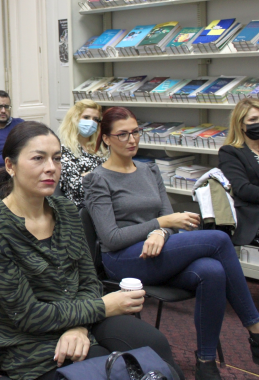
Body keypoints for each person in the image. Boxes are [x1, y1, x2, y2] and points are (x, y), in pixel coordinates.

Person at [0, 121, 182, 380]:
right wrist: (101, 307)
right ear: (10, 166)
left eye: (57, 158)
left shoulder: (66, 210)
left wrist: (79, 325)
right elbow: (27, 316)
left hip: (80, 317)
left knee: (155, 346)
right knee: (110, 367)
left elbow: (89, 280)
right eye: (38, 158)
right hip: (27, 340)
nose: (51, 167)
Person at [83, 107, 259, 380]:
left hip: (159, 250)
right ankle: (256, 329)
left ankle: (206, 363)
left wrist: (160, 232)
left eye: (135, 132)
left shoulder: (149, 170)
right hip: (122, 260)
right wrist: (160, 224)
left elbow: (170, 222)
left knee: (212, 270)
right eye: (122, 134)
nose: (132, 139)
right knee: (218, 239)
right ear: (106, 138)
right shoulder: (97, 179)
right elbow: (111, 238)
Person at [218, 98, 259, 245]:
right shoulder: (230, 152)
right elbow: (242, 189)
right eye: (253, 119)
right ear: (241, 124)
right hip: (253, 216)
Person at [57, 99, 106, 208]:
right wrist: (100, 177)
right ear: (74, 119)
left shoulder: (100, 150)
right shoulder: (63, 152)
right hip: (81, 209)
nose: (91, 122)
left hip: (104, 203)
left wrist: (88, 176)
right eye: (86, 117)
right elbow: (76, 188)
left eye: (95, 119)